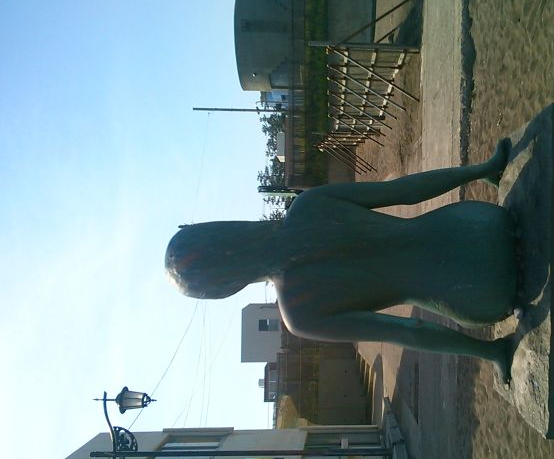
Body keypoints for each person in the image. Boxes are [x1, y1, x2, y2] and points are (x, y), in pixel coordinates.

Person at [166, 139, 518, 382]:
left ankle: (491, 351)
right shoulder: (308, 206)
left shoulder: (299, 315)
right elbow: (404, 191)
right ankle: (487, 170)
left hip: (481, 294)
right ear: (223, 228)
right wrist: (483, 169)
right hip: (477, 224)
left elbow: (409, 331)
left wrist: (490, 351)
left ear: (226, 288)